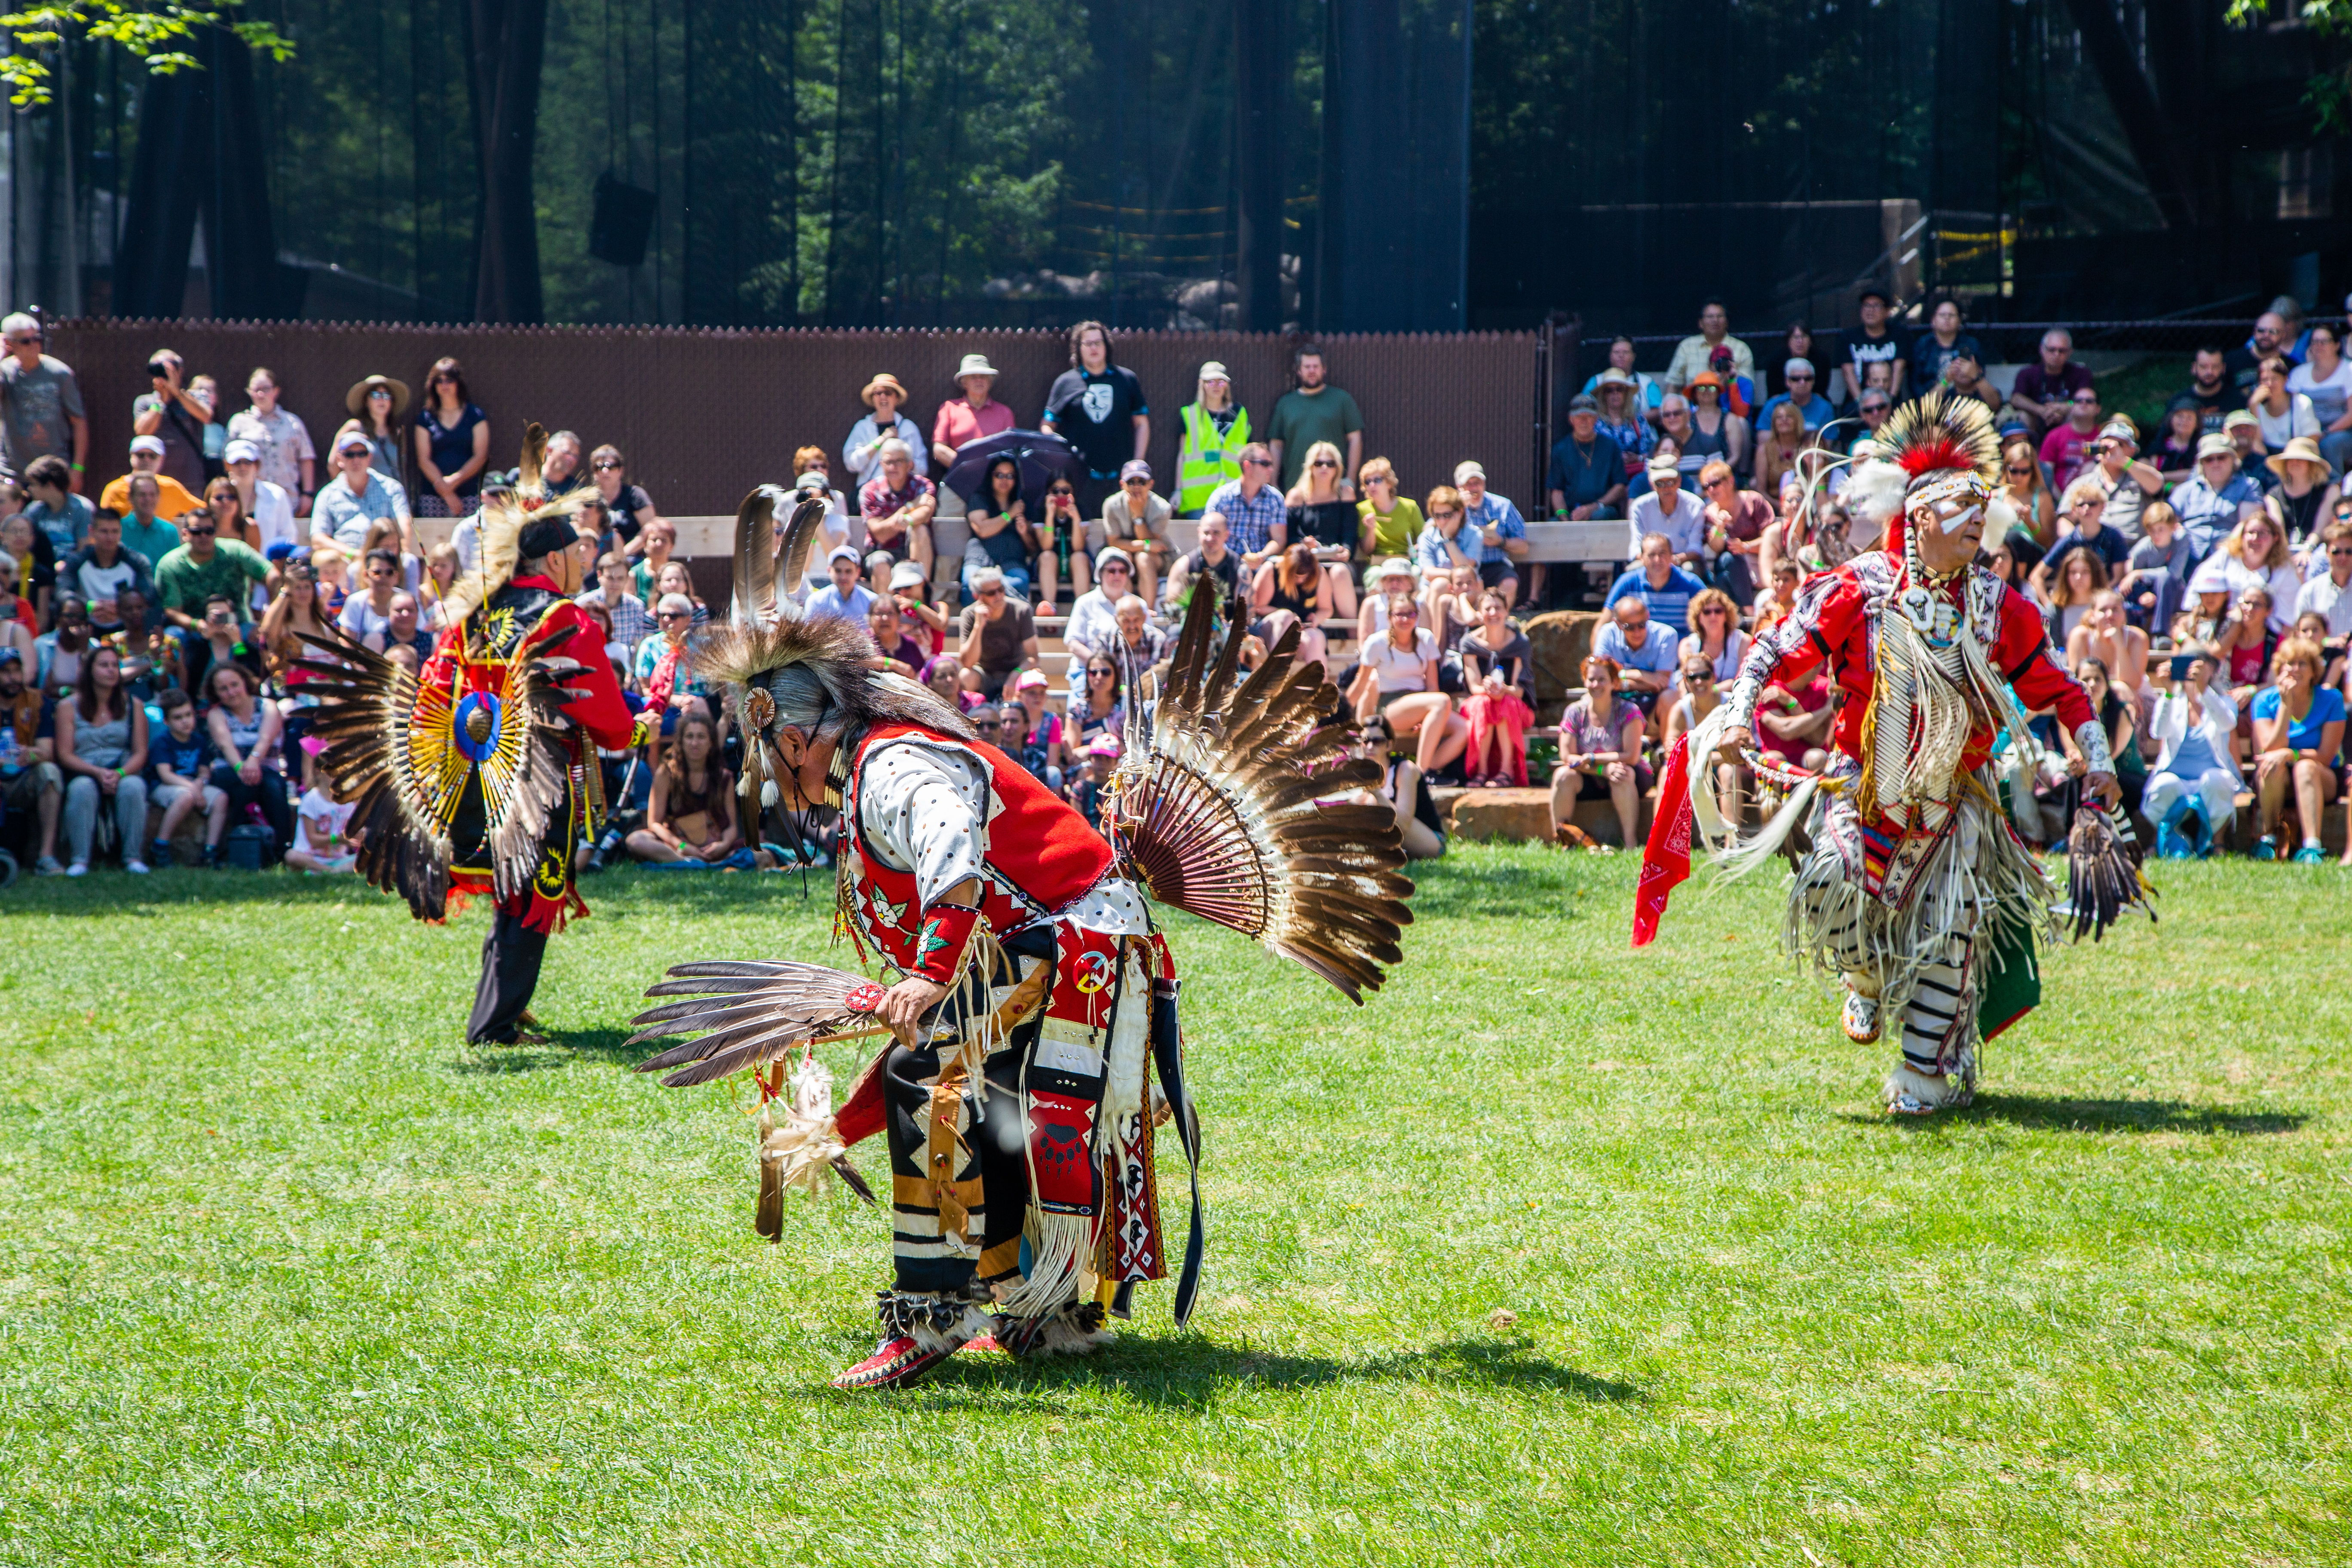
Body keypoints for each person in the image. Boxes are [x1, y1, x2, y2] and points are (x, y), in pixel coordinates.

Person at [634, 517, 1407, 1390]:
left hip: (1079, 934)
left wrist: (927, 975)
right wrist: (835, 1124)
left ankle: (937, 1312)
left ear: (795, 734)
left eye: (770, 752)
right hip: (1065, 934)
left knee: (937, 1082)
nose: (775, 776)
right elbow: (950, 974)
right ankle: (1045, 1306)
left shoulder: (889, 765)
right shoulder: (875, 768)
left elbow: (954, 847)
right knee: (984, 1097)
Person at [1662, 391, 2118, 1116]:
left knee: (1949, 929)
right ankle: (1865, 977)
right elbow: (1778, 647)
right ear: (1919, 517)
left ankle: (1922, 1078)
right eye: (1958, 508)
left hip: (1955, 803)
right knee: (1831, 883)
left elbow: (2059, 688)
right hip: (1865, 788)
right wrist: (1739, 714)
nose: (1976, 521)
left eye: (1981, 509)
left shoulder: (2000, 605)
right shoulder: (1861, 590)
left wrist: (2096, 759)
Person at [303, 456, 657, 1044]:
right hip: (538, 785)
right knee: (532, 893)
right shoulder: (563, 617)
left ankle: (506, 1009)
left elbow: (435, 695)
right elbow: (608, 721)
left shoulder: (472, 615)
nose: (585, 563)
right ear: (552, 560)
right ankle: (494, 1026)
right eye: (578, 554)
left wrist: (430, 777)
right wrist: (639, 727)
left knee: (512, 891)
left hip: (472, 783)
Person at [55, 642, 150, 874]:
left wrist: (119, 774)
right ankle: (80, 861)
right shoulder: (68, 706)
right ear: (90, 670)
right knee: (82, 789)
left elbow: (141, 751)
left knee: (134, 786)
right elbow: (65, 754)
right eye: (104, 665)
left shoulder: (133, 705)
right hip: (84, 769)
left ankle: (132, 858)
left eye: (114, 666)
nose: (111, 671)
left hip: (121, 769)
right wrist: (97, 773)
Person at [2249, 636, 2345, 863]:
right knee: (2271, 765)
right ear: (2279, 669)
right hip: (2277, 779)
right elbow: (2269, 748)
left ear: (2314, 671)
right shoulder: (2264, 700)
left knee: (2305, 767)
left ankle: (2312, 847)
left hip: (2321, 777)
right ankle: (2269, 839)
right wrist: (2286, 704)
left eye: (2303, 664)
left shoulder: (2332, 699)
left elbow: (2326, 755)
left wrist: (2292, 754)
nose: (2295, 669)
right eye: (2289, 663)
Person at [1041, 320, 1148, 515]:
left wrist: (1136, 466)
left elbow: (1142, 424)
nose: (1094, 348)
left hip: (1121, 478)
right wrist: (1063, 456)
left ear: (1107, 346)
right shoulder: (1065, 382)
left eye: (1098, 343)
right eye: (1088, 344)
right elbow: (1047, 427)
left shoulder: (1127, 380)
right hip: (1080, 478)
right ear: (1078, 349)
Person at [1346, 593, 1459, 775]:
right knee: (1442, 701)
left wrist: (1427, 716)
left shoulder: (1426, 638)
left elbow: (1432, 686)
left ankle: (1430, 769)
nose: (1405, 619)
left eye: (1411, 614)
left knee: (1464, 729)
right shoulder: (1377, 642)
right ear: (1390, 617)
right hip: (1390, 705)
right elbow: (1361, 684)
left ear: (1417, 616)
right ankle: (1420, 775)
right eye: (1399, 614)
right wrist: (1339, 715)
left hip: (1423, 702)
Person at [2145, 648, 2240, 858]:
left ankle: (2218, 843)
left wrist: (2204, 690)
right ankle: (2159, 840)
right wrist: (2169, 692)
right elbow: (2158, 731)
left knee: (2217, 780)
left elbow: (2227, 723)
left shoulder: (2222, 701)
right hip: (2176, 777)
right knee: (2164, 784)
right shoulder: (2171, 701)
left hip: (2210, 775)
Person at [1551, 653, 1647, 849]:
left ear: (1614, 683)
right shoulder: (1575, 711)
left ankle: (1630, 843)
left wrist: (1596, 759)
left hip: (1629, 774)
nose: (1596, 685)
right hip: (1589, 776)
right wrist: (1603, 770)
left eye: (1602, 679)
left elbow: (1632, 756)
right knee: (1562, 775)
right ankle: (1562, 839)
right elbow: (1567, 756)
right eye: (1591, 679)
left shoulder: (1628, 711)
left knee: (1622, 773)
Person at [625, 711, 744, 866]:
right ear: (681, 742)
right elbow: (654, 823)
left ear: (711, 742)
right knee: (636, 841)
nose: (695, 743)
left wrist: (723, 845)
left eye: (701, 737)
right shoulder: (667, 773)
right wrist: (681, 846)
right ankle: (689, 863)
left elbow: (732, 826)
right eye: (690, 737)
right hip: (677, 847)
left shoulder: (724, 777)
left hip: (714, 847)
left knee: (761, 852)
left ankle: (701, 863)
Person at [1265, 343, 1364, 497]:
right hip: (1296, 490)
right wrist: (1274, 483)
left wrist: (1350, 480)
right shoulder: (1286, 403)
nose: (1312, 371)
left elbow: (1355, 439)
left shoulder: (1342, 399)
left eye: (1316, 366)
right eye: (1307, 367)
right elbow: (1276, 445)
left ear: (1324, 369)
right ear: (1299, 371)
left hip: (1334, 490)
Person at [1457, 590, 1534, 786]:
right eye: (1488, 609)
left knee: (1506, 703)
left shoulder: (1519, 642)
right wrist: (1489, 688)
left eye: (1498, 608)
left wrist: (1503, 689)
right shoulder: (1469, 643)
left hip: (1514, 704)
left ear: (1507, 612)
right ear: (1480, 614)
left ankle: (1507, 771)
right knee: (1483, 703)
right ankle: (1481, 772)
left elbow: (1519, 691)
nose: (1493, 613)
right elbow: (1474, 687)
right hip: (1480, 701)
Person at [0, 313, 86, 487]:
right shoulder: (4, 372)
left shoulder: (60, 374)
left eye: (37, 339)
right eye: (25, 341)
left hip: (52, 471)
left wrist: (77, 468)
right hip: (12, 472)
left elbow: (79, 422)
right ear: (10, 344)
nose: (33, 345)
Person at [0, 646, 62, 871]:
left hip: (22, 779)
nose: (13, 678)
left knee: (50, 773)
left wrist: (29, 754)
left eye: (17, 671)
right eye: (6, 672)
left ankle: (46, 857)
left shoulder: (37, 702)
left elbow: (47, 752)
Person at [1284, 440, 1360, 621]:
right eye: (1319, 463)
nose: (1324, 468)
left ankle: (1353, 636)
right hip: (1306, 562)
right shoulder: (1296, 496)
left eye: (1330, 464)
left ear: (1337, 468)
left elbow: (1350, 533)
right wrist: (1302, 545)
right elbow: (1288, 538)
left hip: (1337, 562)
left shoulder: (1345, 493)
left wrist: (1346, 550)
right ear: (1310, 467)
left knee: (1339, 572)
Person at [225, 368, 316, 518]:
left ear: (276, 391)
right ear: (249, 391)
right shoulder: (238, 423)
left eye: (266, 389)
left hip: (288, 498)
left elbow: (306, 457)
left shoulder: (292, 423)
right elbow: (227, 460)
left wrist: (308, 493)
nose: (261, 394)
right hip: (250, 500)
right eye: (256, 390)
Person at [311, 427, 414, 555]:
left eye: (362, 454)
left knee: (410, 561)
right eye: (350, 455)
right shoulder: (327, 494)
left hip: (385, 561)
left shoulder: (391, 488)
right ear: (340, 459)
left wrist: (402, 552)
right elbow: (318, 539)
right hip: (346, 562)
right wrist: (353, 554)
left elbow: (404, 524)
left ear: (370, 458)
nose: (356, 460)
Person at [2193, 514, 2301, 631]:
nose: (2255, 538)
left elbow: (2290, 620)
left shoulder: (2283, 569)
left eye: (2262, 533)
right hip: (2222, 630)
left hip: (2263, 637)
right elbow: (2196, 589)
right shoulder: (2226, 556)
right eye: (2251, 533)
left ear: (2275, 538)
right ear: (2242, 536)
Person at [856, 438, 938, 591]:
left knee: (919, 530)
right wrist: (909, 507)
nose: (893, 467)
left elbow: (925, 514)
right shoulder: (869, 491)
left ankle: (919, 604)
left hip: (913, 551)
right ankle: (885, 611)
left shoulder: (924, 486)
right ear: (881, 464)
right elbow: (880, 534)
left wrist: (904, 521)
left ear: (910, 464)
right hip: (882, 552)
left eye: (899, 461)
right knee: (880, 562)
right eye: (888, 462)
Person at [412, 357, 489, 517]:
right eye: (439, 381)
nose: (444, 385)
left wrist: (455, 481)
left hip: (469, 494)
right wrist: (446, 492)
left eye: (449, 380)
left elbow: (481, 456)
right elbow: (423, 460)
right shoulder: (426, 418)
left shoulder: (475, 415)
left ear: (458, 383)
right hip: (433, 496)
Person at [1091, 459, 1173, 606]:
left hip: (1157, 561)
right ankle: (1122, 611)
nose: (1136, 487)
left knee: (1143, 558)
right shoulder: (1111, 504)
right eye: (1131, 482)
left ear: (1151, 484)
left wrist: (1138, 516)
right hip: (1127, 554)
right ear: (1122, 484)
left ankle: (1148, 613)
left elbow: (1151, 538)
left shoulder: (1163, 508)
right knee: (1123, 558)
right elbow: (1114, 542)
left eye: (1142, 482)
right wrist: (1147, 546)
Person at [2171, 434, 2264, 560]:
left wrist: (2227, 550)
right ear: (2201, 464)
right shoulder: (2185, 490)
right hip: (2187, 555)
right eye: (2209, 459)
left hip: (2230, 554)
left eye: (2221, 458)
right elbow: (2168, 522)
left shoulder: (2248, 486)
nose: (2216, 463)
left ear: (2233, 459)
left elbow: (2248, 525)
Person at [1175, 360, 1249, 516]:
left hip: (1233, 496)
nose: (1216, 386)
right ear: (1202, 384)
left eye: (1221, 382)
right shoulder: (1190, 414)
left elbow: (1248, 454)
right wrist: (1178, 490)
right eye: (1211, 382)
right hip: (1199, 498)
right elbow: (1182, 455)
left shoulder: (1240, 414)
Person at [962, 454, 1038, 604]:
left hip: (1013, 561)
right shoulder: (979, 499)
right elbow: (982, 530)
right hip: (980, 558)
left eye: (1010, 476)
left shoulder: (1023, 505)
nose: (1004, 480)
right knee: (970, 587)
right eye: (999, 475)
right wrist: (1010, 514)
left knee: (1018, 584)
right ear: (991, 477)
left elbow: (1033, 548)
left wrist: (1024, 534)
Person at [1198, 441, 1287, 567]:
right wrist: (1235, 561)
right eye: (1265, 464)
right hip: (1226, 565)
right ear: (1247, 466)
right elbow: (1212, 537)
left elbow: (1279, 540)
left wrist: (1262, 556)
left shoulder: (1275, 498)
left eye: (1271, 464)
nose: (1271, 469)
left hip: (1262, 565)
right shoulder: (1222, 498)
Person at [955, 565, 1037, 699]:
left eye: (1001, 590)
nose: (999, 596)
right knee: (966, 676)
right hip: (985, 673)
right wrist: (978, 625)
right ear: (978, 596)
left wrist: (1015, 674)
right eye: (992, 593)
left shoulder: (1021, 610)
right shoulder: (969, 614)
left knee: (1035, 675)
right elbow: (968, 663)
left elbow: (1033, 657)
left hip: (1015, 671)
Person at [1451, 460, 1527, 598]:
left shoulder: (1503, 505)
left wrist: (1500, 542)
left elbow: (1523, 547)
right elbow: (1433, 528)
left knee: (1510, 582)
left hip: (1495, 564)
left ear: (1484, 484)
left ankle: (1499, 617)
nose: (1474, 489)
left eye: (1478, 483)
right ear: (1459, 487)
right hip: (1464, 564)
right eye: (1469, 484)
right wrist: (1458, 509)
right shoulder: (1453, 507)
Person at [1605, 531, 1708, 633]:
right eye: (1651, 555)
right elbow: (1604, 624)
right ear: (1642, 558)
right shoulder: (1627, 584)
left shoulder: (1690, 584)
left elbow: (1714, 616)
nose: (1657, 560)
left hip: (1680, 648)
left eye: (1662, 554)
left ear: (1672, 555)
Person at [1252, 542, 1334, 669]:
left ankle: (1318, 687)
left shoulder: (1319, 573)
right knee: (1286, 617)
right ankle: (1275, 676)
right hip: (1271, 631)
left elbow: (1327, 609)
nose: (1301, 581)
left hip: (1302, 631)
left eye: (1305, 577)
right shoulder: (1272, 569)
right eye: (1296, 576)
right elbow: (1258, 607)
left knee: (1315, 638)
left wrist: (1316, 618)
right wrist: (1291, 618)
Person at [2082, 418, 2163, 542]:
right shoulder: (2087, 478)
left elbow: (2157, 484)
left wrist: (2123, 461)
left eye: (2120, 445)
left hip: (2132, 550)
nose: (2112, 449)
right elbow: (2066, 517)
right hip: (2095, 550)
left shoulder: (2140, 475)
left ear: (2132, 450)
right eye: (2107, 445)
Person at [2287, 322, 2352, 477]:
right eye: (2315, 342)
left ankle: (2334, 485)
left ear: (2337, 345)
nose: (2319, 346)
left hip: (2341, 432)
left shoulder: (2349, 370)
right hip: (2306, 430)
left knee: (2329, 444)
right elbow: (2292, 409)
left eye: (2325, 341)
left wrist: (2325, 432)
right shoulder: (2298, 374)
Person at [929, 353, 1014, 472]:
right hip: (959, 478)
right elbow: (939, 449)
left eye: (983, 376)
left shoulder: (1005, 412)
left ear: (990, 382)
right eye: (974, 377)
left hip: (994, 482)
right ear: (964, 383)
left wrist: (989, 472)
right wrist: (966, 467)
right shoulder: (949, 408)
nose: (979, 380)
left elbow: (1011, 451)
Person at [1547, 395, 1627, 520]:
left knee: (1601, 516)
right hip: (1572, 512)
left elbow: (1620, 486)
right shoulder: (1560, 450)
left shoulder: (1611, 446)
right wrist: (1565, 520)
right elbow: (1557, 491)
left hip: (1601, 509)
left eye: (1589, 417)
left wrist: (1594, 507)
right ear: (1571, 419)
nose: (1584, 421)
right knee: (1553, 524)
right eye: (1579, 417)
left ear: (1596, 419)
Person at [2006, 328, 2095, 438]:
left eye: (2062, 351)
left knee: (2077, 413)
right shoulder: (2027, 373)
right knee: (2024, 416)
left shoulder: (2082, 373)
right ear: (2042, 350)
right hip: (2037, 420)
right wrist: (2040, 410)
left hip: (2065, 421)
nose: (2056, 355)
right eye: (2052, 350)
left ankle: (2069, 452)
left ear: (2070, 352)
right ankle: (2029, 453)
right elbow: (2016, 399)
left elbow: (2087, 399)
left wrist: (2067, 406)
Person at [2066, 589, 2150, 703]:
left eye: (2115, 610)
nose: (2110, 615)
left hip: (2135, 699)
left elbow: (2133, 685)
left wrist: (2120, 645)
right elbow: (2079, 683)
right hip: (2093, 698)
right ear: (2092, 616)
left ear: (2124, 615)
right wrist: (2117, 687)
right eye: (2103, 610)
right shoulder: (2080, 637)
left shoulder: (2138, 638)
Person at [844, 372, 928, 487]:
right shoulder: (862, 427)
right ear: (873, 398)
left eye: (888, 393)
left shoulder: (908, 428)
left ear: (896, 398)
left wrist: (903, 459)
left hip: (904, 494)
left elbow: (922, 469)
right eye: (878, 393)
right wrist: (882, 440)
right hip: (871, 495)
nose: (883, 397)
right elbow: (852, 464)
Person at [1624, 457, 1706, 570]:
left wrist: (1675, 560)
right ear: (1652, 485)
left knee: (1690, 568)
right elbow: (1636, 549)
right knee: (1634, 570)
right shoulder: (1639, 507)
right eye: (1660, 484)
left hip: (1683, 561)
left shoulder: (1696, 505)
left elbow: (1695, 548)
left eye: (1670, 482)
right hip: (1651, 562)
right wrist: (1656, 561)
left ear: (1679, 481)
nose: (1666, 488)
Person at [99, 433, 202, 521]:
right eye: (141, 455)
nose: (147, 460)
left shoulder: (171, 487)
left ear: (161, 460)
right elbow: (103, 524)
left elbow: (203, 511)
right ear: (131, 457)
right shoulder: (114, 490)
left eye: (152, 456)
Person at [1663, 299, 1755, 396]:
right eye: (1710, 317)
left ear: (1727, 322)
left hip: (1731, 406)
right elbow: (1673, 384)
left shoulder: (1742, 349)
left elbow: (1747, 389)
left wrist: (1731, 378)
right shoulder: (1687, 347)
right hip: (1693, 408)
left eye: (1720, 316)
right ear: (1700, 323)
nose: (1715, 320)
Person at [2262, 435, 2339, 549]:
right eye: (2290, 459)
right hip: (2283, 551)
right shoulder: (2273, 495)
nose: (2295, 462)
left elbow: (2320, 528)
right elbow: (2278, 529)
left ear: (2313, 464)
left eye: (2301, 459)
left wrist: (2308, 549)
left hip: (2318, 549)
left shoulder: (2330, 491)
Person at [1835, 288, 1906, 408]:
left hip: (1890, 402)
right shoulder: (1848, 337)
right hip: (1858, 402)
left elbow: (1899, 370)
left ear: (1887, 311)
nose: (1870, 311)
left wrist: (1889, 404)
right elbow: (1848, 373)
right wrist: (1863, 405)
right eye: (1866, 306)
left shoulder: (1899, 335)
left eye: (1876, 306)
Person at [588, 444, 664, 553]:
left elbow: (651, 529)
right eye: (599, 467)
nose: (605, 471)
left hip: (631, 558)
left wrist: (623, 553)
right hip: (596, 559)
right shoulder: (588, 499)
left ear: (621, 471)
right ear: (594, 473)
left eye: (611, 466)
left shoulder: (635, 496)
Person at [1164, 512, 1242, 616]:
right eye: (1206, 533)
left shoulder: (1239, 568)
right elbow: (1173, 605)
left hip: (1228, 627)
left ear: (1226, 535)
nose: (1210, 538)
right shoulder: (1183, 566)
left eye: (1216, 533)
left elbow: (1246, 612)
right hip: (1191, 625)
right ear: (1199, 533)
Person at [343, 374, 410, 486]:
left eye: (386, 395)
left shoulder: (398, 433)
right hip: (365, 496)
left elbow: (402, 469)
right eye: (376, 395)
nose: (382, 400)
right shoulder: (355, 427)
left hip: (393, 496)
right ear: (366, 402)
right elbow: (333, 464)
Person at [2247, 354, 2320, 456]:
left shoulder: (2302, 403)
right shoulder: (2256, 405)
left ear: (2285, 379)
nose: (2270, 384)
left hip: (2298, 455)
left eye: (2275, 379)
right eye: (2265, 380)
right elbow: (2256, 442)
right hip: (2267, 458)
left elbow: (2313, 439)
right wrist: (2253, 406)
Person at [2037, 387, 2105, 495]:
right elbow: (2046, 474)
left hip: (2097, 500)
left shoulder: (2105, 436)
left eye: (2089, 401)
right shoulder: (2055, 436)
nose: (2083, 403)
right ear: (2072, 407)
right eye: (2078, 401)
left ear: (2098, 409)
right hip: (2059, 501)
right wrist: (2061, 502)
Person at [1678, 586, 1750, 684]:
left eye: (1718, 611)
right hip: (1700, 697)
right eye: (1707, 612)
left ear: (1727, 615)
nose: (1713, 616)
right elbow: (1687, 682)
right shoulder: (1688, 645)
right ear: (1698, 618)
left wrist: (1713, 691)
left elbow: (1741, 680)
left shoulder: (1743, 641)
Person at [2294, 520, 2352, 637]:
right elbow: (2300, 636)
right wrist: (2327, 644)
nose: (2343, 557)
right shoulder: (2310, 591)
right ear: (2327, 552)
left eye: (2349, 551)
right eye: (2336, 552)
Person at [1751, 400, 1812, 507]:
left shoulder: (1806, 448)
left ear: (1797, 420)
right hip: (1774, 505)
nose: (1784, 420)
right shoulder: (1765, 450)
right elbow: (1761, 490)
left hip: (1803, 506)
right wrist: (1783, 507)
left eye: (1789, 416)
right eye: (1779, 417)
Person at [1911, 297, 1982, 387]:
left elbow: (1980, 376)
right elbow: (1916, 382)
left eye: (1952, 315)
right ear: (1933, 320)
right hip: (1930, 399)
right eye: (1942, 315)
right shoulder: (1922, 344)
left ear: (1960, 321)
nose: (1947, 318)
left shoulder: (1971, 344)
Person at [1756, 358, 1833, 434]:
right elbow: (1763, 442)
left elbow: (1827, 444)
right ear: (1787, 381)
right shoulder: (1773, 405)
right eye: (1796, 379)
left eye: (1808, 379)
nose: (1802, 382)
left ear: (1814, 381)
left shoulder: (1825, 407)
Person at [2179, 346, 2244, 435]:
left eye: (2215, 367)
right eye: (2204, 367)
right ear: (2194, 368)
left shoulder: (2237, 400)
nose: (2209, 372)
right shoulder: (2180, 401)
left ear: (2223, 368)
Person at [2151, 396, 2205, 486]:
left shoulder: (2201, 446)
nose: (2184, 421)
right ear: (2171, 419)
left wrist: (2162, 476)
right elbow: (2151, 476)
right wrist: (2169, 487)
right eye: (2180, 416)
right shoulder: (2159, 445)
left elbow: (2197, 473)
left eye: (2189, 418)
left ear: (2197, 423)